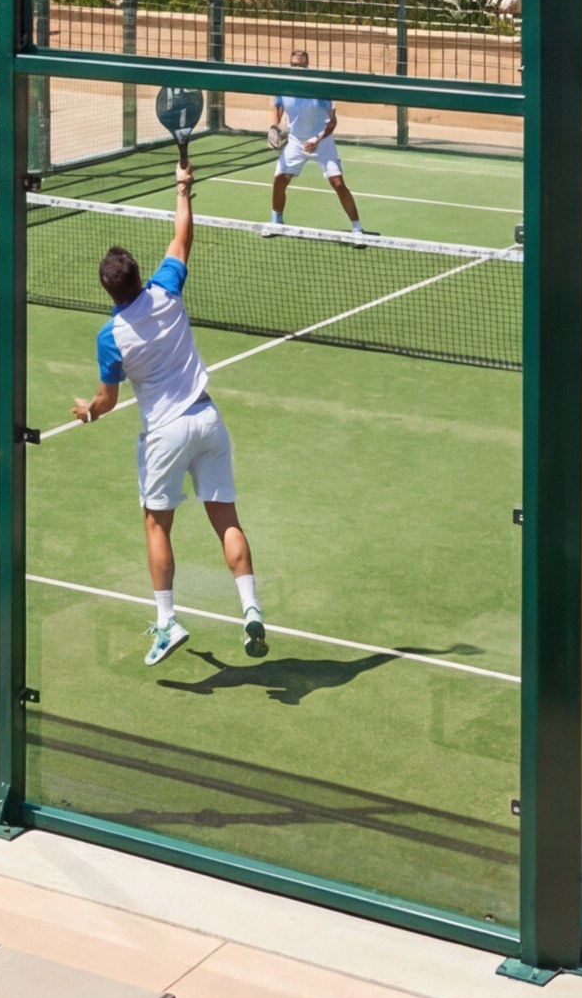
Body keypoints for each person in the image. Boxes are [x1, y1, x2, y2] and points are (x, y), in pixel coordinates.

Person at [72, 147, 266, 666]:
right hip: (208, 419)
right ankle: (250, 609)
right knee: (225, 517)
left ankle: (166, 621)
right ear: (138, 275)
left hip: (166, 433)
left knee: (157, 524)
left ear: (108, 289)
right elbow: (182, 235)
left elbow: (107, 402)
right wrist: (183, 186)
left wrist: (87, 411)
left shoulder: (111, 337)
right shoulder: (168, 290)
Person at [264, 54, 369, 239]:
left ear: (308, 67)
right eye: (295, 65)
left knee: (338, 183)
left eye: (302, 66)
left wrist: (317, 139)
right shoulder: (283, 86)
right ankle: (276, 222)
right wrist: (274, 128)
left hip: (322, 139)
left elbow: (333, 122)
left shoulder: (319, 89)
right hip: (296, 141)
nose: (299, 69)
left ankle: (357, 229)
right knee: (280, 179)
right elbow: (278, 108)